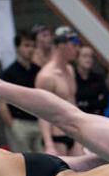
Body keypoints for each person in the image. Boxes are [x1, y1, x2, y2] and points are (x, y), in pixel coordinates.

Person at [35, 27, 82, 156]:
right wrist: (49, 144)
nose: (77, 50)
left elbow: (73, 104)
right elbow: (42, 113)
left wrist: (82, 134)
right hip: (57, 137)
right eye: (73, 45)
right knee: (62, 174)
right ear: (61, 45)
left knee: (83, 174)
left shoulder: (70, 70)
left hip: (74, 133)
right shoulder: (46, 76)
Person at [0, 30, 42, 153]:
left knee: (43, 161)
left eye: (33, 46)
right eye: (26, 45)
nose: (30, 49)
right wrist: (12, 125)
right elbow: (0, 103)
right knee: (23, 162)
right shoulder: (8, 73)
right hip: (19, 123)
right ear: (17, 48)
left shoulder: (38, 71)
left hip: (38, 122)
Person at [74, 46, 108, 117]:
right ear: (77, 59)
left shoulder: (98, 78)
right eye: (84, 56)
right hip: (77, 117)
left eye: (91, 57)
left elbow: (104, 102)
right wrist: (93, 102)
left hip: (96, 117)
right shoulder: (72, 77)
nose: (88, 59)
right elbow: (72, 102)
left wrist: (84, 103)